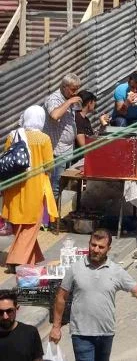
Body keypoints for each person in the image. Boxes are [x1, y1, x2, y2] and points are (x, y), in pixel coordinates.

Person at [50, 229, 137, 360]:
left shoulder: (116, 271)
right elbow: (61, 297)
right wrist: (56, 327)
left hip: (106, 333)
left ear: (109, 248)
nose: (96, 249)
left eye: (101, 247)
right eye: (93, 245)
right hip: (81, 334)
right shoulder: (75, 268)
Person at [2, 106, 58, 271]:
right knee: (30, 225)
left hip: (14, 187)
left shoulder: (13, 135)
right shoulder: (43, 139)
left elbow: (7, 161)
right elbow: (49, 165)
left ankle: (32, 257)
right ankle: (15, 261)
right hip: (35, 187)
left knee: (20, 225)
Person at [43, 73, 81, 199]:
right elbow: (55, 115)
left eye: (77, 89)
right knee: (55, 186)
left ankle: (57, 215)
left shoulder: (68, 100)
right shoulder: (53, 99)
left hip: (67, 149)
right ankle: (51, 218)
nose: (75, 93)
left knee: (63, 185)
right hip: (57, 150)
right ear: (64, 87)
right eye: (73, 89)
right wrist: (70, 101)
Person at [0, 290, 43, 361]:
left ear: (17, 308)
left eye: (9, 311)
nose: (5, 316)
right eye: (0, 312)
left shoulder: (30, 333)